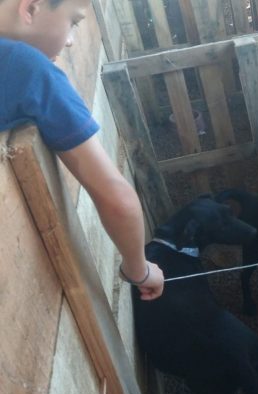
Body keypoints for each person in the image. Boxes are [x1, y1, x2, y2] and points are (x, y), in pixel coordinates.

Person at [0, 0, 164, 300]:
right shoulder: (29, 70)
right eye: (73, 22)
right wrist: (139, 269)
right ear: (31, 8)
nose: (71, 41)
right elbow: (118, 200)